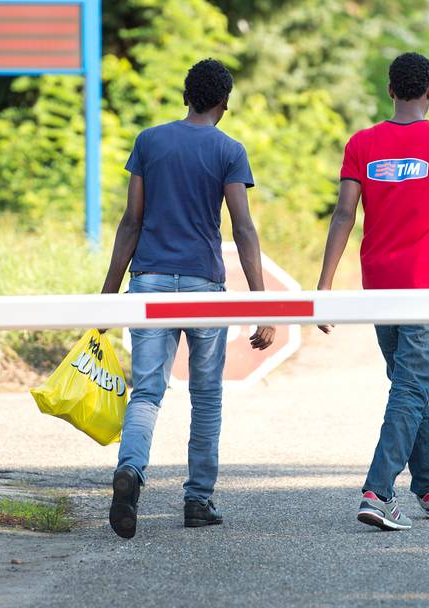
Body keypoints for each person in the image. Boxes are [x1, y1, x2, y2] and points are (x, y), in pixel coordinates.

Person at [100, 58, 276, 540]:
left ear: (185, 96)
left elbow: (130, 222)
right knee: (206, 396)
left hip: (150, 283)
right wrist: (261, 304)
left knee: (148, 391)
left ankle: (131, 472)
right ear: (224, 103)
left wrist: (107, 295)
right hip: (203, 287)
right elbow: (242, 228)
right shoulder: (229, 150)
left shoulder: (149, 141)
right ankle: (198, 500)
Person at [315, 52, 429, 531]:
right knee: (411, 388)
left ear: (390, 90)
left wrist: (325, 285)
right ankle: (377, 491)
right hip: (428, 287)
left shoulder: (362, 144)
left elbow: (344, 216)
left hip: (379, 287)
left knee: (407, 388)